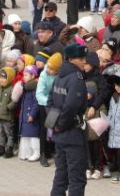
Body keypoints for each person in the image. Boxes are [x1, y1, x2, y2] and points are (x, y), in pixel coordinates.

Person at [49, 43, 90, 196]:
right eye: (81, 58)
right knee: (77, 178)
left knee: (61, 175)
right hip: (72, 133)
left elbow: (50, 102)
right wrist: (61, 124)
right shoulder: (76, 78)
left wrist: (54, 124)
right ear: (72, 59)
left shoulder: (59, 76)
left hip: (59, 135)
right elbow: (71, 106)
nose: (84, 61)